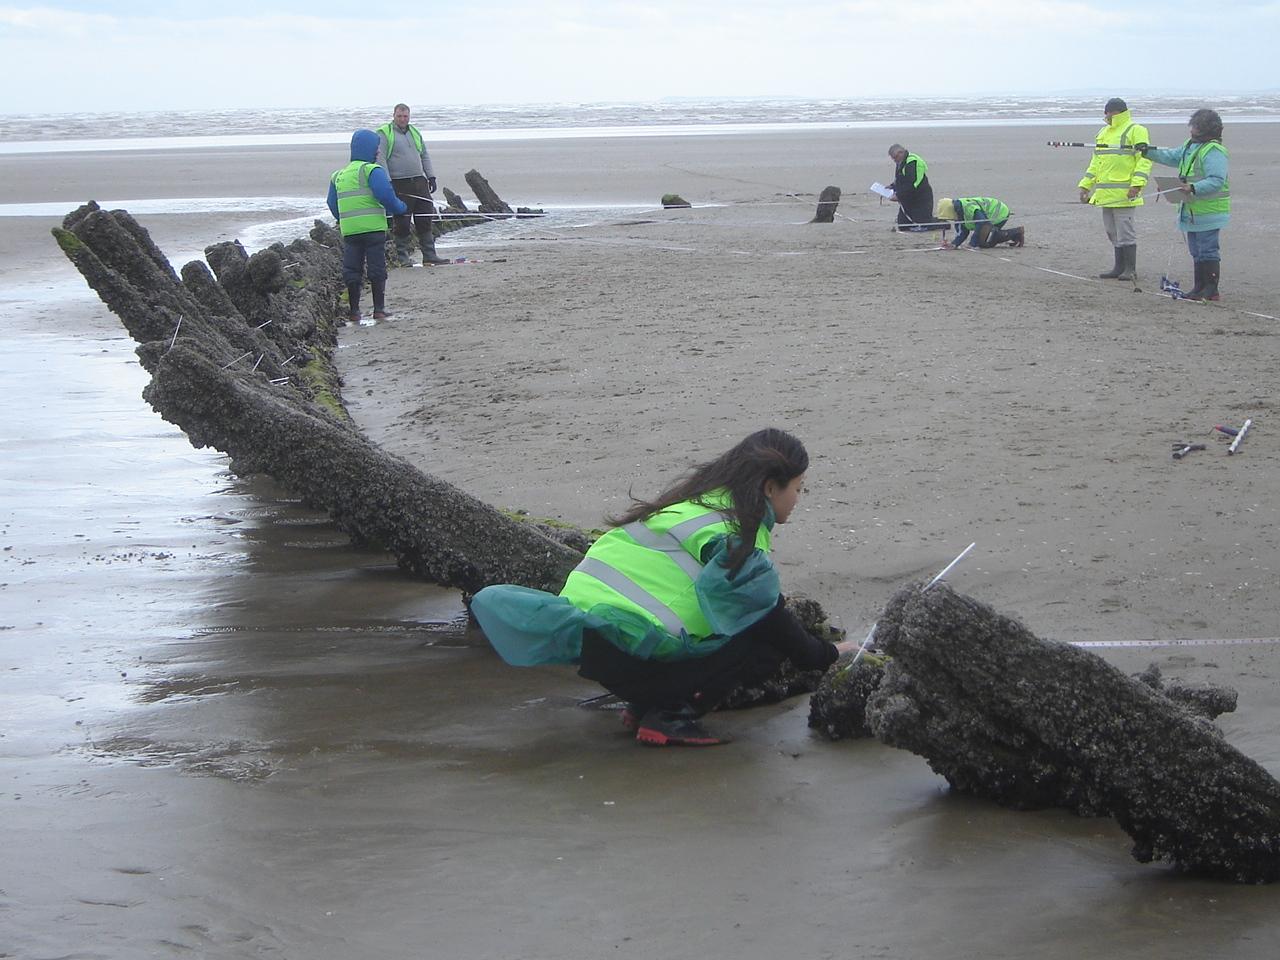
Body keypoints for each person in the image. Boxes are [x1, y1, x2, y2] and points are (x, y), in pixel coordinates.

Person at [471, 428, 858, 747]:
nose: (798, 499)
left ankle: (644, 704)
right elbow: (766, 614)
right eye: (799, 488)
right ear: (771, 488)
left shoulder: (687, 505)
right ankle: (671, 714)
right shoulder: (736, 528)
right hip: (630, 647)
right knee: (764, 640)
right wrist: (823, 654)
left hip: (591, 643)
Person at [1139, 108, 1230, 301]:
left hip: (1209, 210)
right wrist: (1147, 151)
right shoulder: (1191, 146)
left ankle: (1211, 289)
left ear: (1204, 129)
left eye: (1195, 127)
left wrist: (1193, 187)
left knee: (1207, 249)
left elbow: (1217, 179)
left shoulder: (1213, 150)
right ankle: (1199, 287)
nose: (1191, 130)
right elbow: (1171, 156)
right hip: (1191, 209)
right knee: (1196, 250)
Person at [326, 129, 408, 322]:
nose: (378, 152)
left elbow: (332, 203)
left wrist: (343, 218)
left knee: (352, 269)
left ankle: (354, 311)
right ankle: (379, 309)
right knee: (376, 268)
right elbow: (385, 195)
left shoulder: (338, 175)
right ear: (369, 149)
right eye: (376, 148)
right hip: (373, 230)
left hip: (350, 231)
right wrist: (400, 208)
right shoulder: (372, 170)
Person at [1078, 97, 1152, 282]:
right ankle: (1118, 267)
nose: (1106, 116)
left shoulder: (1136, 130)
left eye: (1108, 112)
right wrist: (1085, 186)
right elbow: (1096, 162)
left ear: (1116, 112)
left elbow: (1144, 159)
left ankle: (1130, 269)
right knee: (1112, 231)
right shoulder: (1103, 132)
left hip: (1125, 192)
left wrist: (1137, 185)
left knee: (1125, 231)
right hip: (1105, 193)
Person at [376, 103, 448, 267]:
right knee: (402, 221)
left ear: (409, 116)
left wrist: (431, 176)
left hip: (419, 181)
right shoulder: (384, 133)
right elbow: (381, 159)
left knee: (425, 217)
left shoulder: (414, 132)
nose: (402, 119)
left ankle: (430, 255)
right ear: (393, 115)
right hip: (399, 183)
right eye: (399, 116)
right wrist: (387, 181)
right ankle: (403, 257)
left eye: (405, 116)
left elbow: (424, 155)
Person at [935, 197, 1025, 248]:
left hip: (999, 213)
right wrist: (954, 244)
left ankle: (1016, 232)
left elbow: (982, 222)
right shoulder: (959, 213)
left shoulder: (968, 208)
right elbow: (963, 232)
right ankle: (1014, 235)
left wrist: (972, 243)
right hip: (988, 217)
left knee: (986, 241)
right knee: (983, 240)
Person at [888, 144, 936, 231]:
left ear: (901, 153)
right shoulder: (900, 162)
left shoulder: (913, 161)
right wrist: (892, 186)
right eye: (892, 158)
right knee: (903, 226)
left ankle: (943, 224)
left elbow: (913, 184)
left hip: (921, 198)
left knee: (924, 224)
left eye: (895, 157)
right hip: (908, 198)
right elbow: (901, 178)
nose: (894, 160)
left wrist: (898, 195)